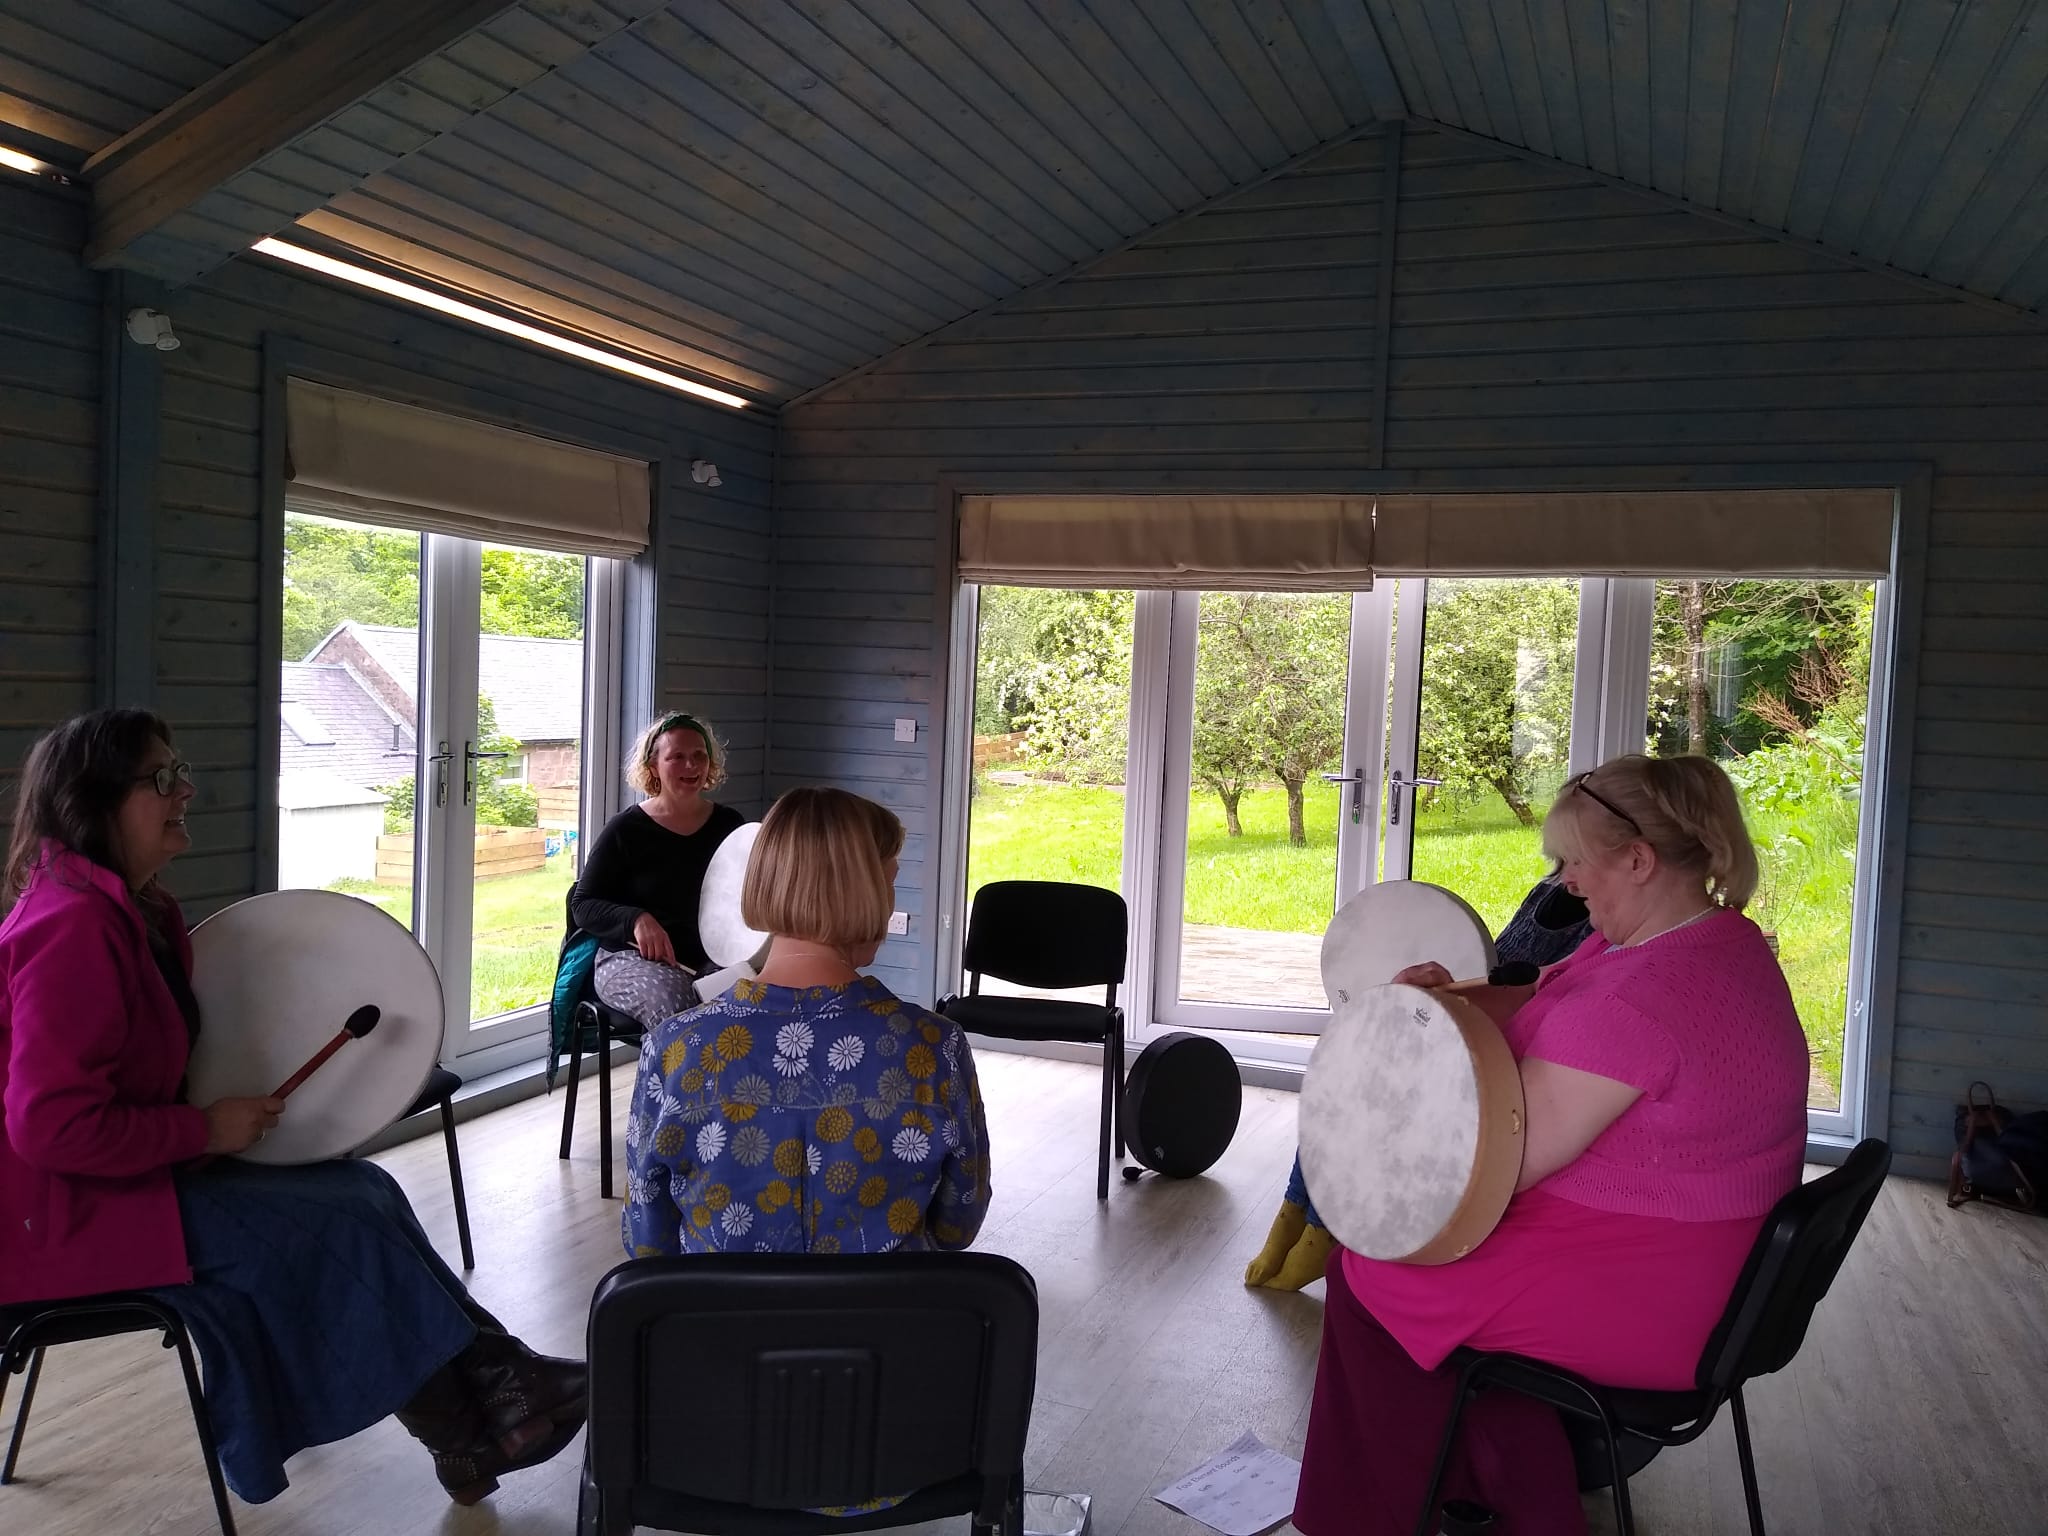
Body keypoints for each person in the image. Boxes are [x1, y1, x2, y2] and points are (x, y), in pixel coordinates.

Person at [0, 710, 586, 1508]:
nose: (187, 790)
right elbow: (50, 1127)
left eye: (180, 771)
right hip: (68, 1219)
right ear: (93, 800)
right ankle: (493, 1406)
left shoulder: (128, 911)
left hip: (131, 1186)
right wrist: (204, 1129)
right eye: (162, 778)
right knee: (333, 1222)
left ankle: (487, 1409)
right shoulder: (70, 928)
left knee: (365, 1191)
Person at [1292, 755, 1811, 1536]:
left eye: (1574, 861)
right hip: (1718, 1261)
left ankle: (1370, 1518)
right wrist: (1449, 1001)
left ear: (1637, 860)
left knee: (1370, 1277)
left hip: (1664, 1291)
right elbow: (1541, 995)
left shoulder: (1641, 998)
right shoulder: (1700, 941)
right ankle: (1497, 1496)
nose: (1565, 881)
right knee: (1430, 1297)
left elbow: (1486, 1170)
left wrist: (1385, 1072)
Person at [624, 786, 990, 1259]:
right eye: (890, 882)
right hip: (889, 1328)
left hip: (718, 1328)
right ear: (866, 892)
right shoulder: (934, 1047)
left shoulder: (672, 1048)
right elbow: (957, 1224)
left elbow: (646, 1240)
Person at [1244, 870, 1594, 1291]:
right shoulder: (1554, 888)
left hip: (1495, 1056)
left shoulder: (1606, 931)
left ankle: (1320, 1230)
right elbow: (1500, 966)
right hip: (1466, 1019)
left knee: (1373, 1088)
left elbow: (1544, 991)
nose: (1571, 870)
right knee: (1352, 1067)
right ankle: (1293, 1210)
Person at [572, 712, 745, 1029]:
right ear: (653, 766)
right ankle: (673, 1080)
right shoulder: (626, 829)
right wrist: (636, 919)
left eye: (699, 756)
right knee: (675, 1004)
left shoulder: (729, 824)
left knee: (751, 997)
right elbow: (583, 905)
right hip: (629, 959)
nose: (691, 766)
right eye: (677, 757)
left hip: (708, 959)